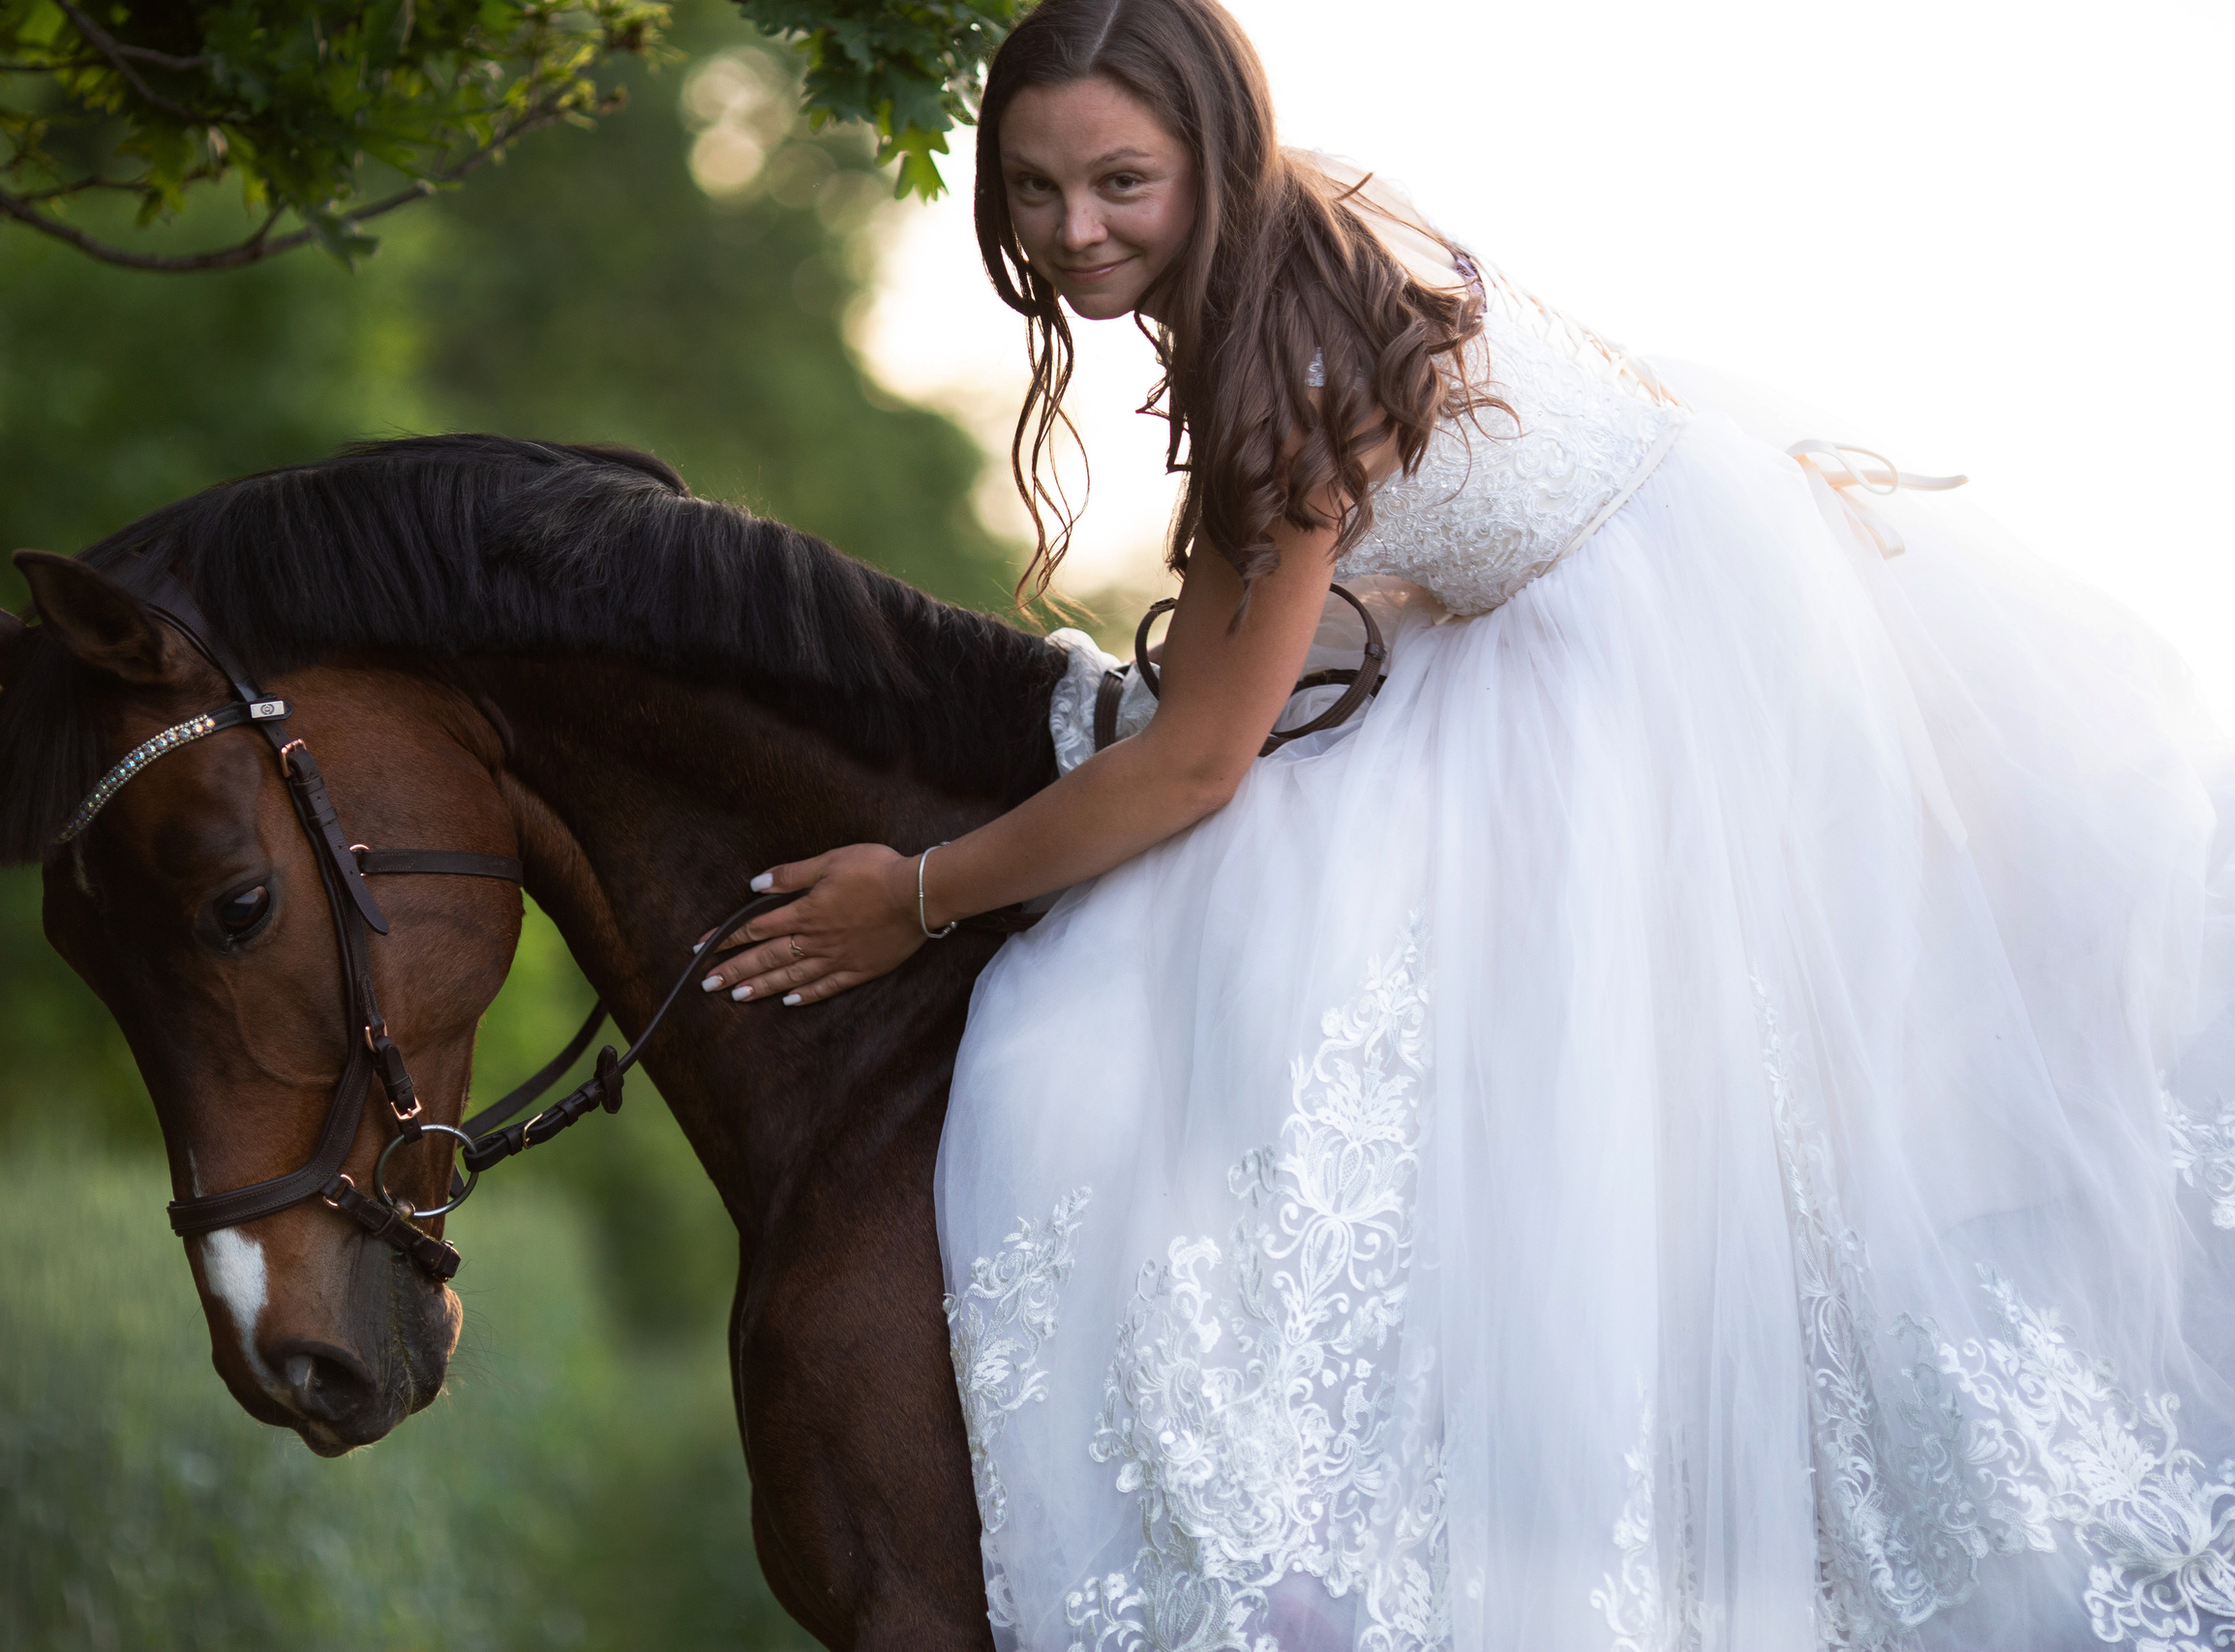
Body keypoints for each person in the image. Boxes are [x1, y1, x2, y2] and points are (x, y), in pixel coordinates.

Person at [690, 0, 2235, 1645]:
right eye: (1034, 190)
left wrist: (921, 894)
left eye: (1122, 184)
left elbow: (1197, 762)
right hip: (1616, 572)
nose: (1074, 233)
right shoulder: (1313, 212)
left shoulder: (1283, 359)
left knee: (1218, 994)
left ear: (1216, 157)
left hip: (1641, 682)